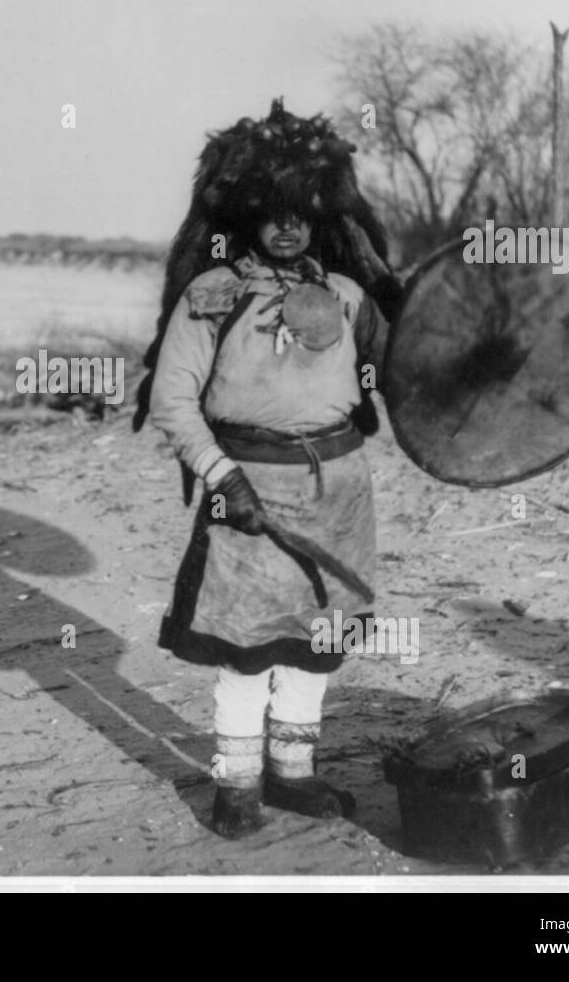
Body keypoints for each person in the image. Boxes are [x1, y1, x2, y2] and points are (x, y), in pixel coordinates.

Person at [136, 100, 398, 839]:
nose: (286, 227)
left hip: (340, 491)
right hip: (246, 489)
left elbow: (405, 376)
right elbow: (172, 401)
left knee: (315, 643)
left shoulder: (348, 298)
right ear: (249, 214)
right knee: (245, 649)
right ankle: (239, 786)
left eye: (301, 212)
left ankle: (292, 776)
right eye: (271, 212)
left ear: (321, 217)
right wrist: (223, 477)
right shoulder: (213, 296)